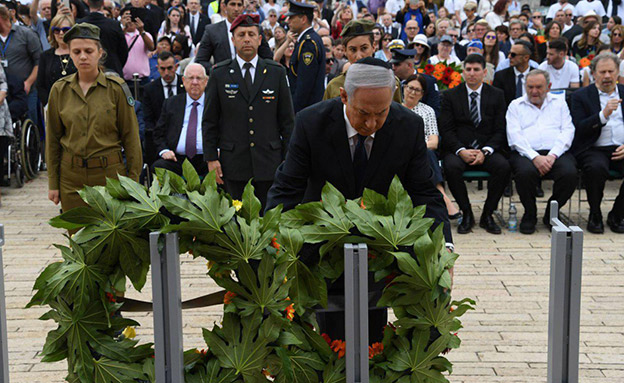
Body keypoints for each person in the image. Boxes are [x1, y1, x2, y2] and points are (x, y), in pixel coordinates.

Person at [265, 58, 452, 342]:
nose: (372, 123)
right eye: (363, 113)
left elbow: (425, 193)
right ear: (344, 96)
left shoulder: (408, 126)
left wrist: (444, 246)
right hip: (321, 246)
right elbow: (287, 188)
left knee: (372, 337)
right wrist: (272, 244)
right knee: (329, 337)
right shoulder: (310, 122)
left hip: (383, 248)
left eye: (382, 113)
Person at [46, 23, 142, 214]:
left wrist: (133, 183)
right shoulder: (59, 90)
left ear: (100, 52)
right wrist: (53, 183)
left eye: (88, 51)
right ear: (70, 55)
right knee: (77, 237)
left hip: (109, 177)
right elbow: (53, 140)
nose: (83, 56)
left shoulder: (117, 88)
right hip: (71, 180)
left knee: (111, 239)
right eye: (77, 51)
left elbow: (131, 137)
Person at [203, 14, 294, 208]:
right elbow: (210, 120)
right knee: (236, 221)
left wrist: (288, 159)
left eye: (251, 34)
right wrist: (211, 158)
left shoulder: (275, 72)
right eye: (241, 34)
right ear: (233, 40)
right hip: (234, 162)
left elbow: (287, 121)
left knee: (269, 220)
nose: (246, 39)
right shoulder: (220, 73)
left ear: (259, 39)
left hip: (269, 162)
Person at [439, 53, 510, 235]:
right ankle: (467, 212)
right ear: (462, 72)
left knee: (503, 166)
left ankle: (487, 214)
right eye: (468, 69)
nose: (472, 73)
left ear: (484, 72)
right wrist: (461, 150)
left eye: (476, 70)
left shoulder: (497, 95)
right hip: (459, 149)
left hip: (487, 149)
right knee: (451, 167)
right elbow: (446, 130)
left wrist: (485, 151)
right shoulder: (450, 96)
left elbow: (501, 129)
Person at [506, 69, 577, 234]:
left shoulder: (559, 103)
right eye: (530, 87)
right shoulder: (515, 105)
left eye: (539, 87)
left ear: (549, 86)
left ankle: (551, 213)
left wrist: (552, 156)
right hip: (526, 152)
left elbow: (568, 131)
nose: (534, 91)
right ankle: (530, 213)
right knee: (524, 173)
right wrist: (535, 157)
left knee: (570, 173)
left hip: (556, 152)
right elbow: (515, 136)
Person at [570, 52, 624, 233]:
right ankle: (595, 214)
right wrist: (603, 115)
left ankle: (618, 214)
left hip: (621, 147)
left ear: (618, 72)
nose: (607, 76)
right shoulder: (581, 96)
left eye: (611, 71)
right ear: (594, 73)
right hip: (593, 148)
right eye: (602, 72)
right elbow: (579, 128)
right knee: (595, 169)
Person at [402, 73, 459, 218]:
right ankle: (443, 197)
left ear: (422, 94)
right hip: (400, 153)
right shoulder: (394, 108)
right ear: (404, 88)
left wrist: (416, 149)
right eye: (410, 88)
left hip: (422, 153)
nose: (412, 92)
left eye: (417, 90)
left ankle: (442, 197)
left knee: (428, 154)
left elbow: (434, 142)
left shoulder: (427, 111)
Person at [152, 63, 208, 177]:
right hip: (177, 159)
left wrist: (218, 150)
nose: (195, 82)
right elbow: (158, 133)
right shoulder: (171, 103)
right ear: (183, 80)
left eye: (199, 78)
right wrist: (164, 151)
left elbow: (226, 131)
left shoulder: (214, 103)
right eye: (191, 78)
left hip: (207, 158)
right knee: (158, 167)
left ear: (206, 81)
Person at [195, 0, 271, 70]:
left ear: (243, 7)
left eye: (239, 5)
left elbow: (267, 58)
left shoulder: (255, 29)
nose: (236, 9)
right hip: (223, 80)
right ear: (224, 6)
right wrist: (218, 73)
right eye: (232, 4)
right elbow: (201, 60)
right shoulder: (212, 31)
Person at [0, 5, 42, 128]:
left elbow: (39, 61)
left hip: (26, 89)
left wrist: (28, 82)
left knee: (30, 121)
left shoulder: (26, 34)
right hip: (4, 91)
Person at [143, 51, 184, 166]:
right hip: (159, 136)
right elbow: (148, 120)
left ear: (176, 67)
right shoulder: (150, 89)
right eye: (162, 69)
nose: (166, 73)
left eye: (170, 68)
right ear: (157, 68)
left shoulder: (186, 85)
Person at [286, 0, 325, 113]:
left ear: (303, 19)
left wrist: (295, 111)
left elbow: (305, 84)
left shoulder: (308, 43)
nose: (288, 21)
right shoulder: (308, 39)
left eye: (292, 18)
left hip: (306, 110)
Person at [36, 14, 76, 107]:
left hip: (77, 106)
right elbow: (40, 85)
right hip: (52, 106)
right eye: (56, 30)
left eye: (65, 29)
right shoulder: (45, 56)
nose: (61, 33)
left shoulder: (79, 53)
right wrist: (48, 104)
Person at [390, 48, 440, 114]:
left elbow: (435, 110)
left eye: (397, 64)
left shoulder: (428, 81)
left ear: (409, 65)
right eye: (392, 64)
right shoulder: (391, 80)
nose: (393, 67)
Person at [493, 41, 537, 107]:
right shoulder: (500, 76)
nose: (509, 57)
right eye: (509, 53)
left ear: (526, 58)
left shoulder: (538, 76)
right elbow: (497, 103)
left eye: (513, 54)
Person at [121, 6, 155, 84]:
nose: (129, 20)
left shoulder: (144, 34)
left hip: (143, 79)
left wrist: (141, 30)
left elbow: (151, 47)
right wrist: (124, 28)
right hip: (125, 80)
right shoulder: (120, 35)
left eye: (131, 16)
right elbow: (115, 45)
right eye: (126, 16)